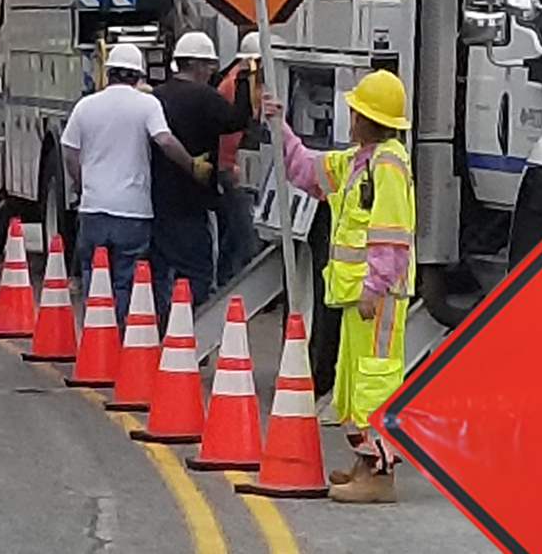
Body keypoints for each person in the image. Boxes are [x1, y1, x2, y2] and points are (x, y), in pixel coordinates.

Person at [263, 69, 415, 504]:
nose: (350, 117)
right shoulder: (359, 162)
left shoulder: (387, 165)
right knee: (352, 385)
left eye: (355, 111)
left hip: (376, 298)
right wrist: (280, 126)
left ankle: (379, 474)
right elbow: (307, 170)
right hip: (356, 295)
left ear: (367, 118)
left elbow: (391, 233)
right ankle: (364, 463)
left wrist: (375, 285)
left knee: (375, 381)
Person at [62, 43, 212, 328]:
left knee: (94, 278)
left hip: (92, 209)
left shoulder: (86, 106)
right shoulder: (147, 104)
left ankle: (94, 338)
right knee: (124, 280)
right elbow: (165, 141)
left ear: (108, 73)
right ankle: (116, 339)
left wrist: (82, 184)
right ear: (138, 76)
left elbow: (69, 151)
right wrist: (191, 165)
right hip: (132, 212)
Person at [150, 31, 252, 317]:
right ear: (196, 65)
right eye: (208, 66)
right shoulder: (206, 98)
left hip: (156, 200)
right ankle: (186, 329)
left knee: (159, 271)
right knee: (197, 272)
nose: (210, 72)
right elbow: (237, 120)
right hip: (191, 202)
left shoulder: (157, 97)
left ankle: (157, 327)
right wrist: (243, 79)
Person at [214, 31, 262, 289]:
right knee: (240, 230)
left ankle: (228, 280)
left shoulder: (237, 80)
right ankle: (237, 284)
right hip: (232, 164)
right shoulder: (236, 84)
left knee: (235, 230)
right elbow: (231, 127)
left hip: (235, 163)